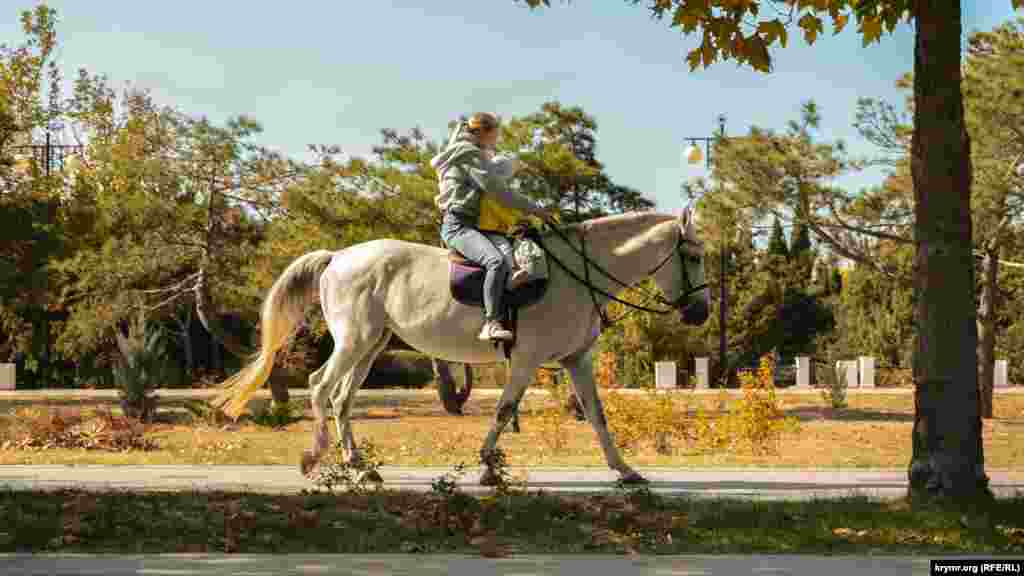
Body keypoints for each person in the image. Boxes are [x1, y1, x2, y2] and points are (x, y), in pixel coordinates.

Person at [431, 112, 552, 342]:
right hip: (459, 226)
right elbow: (497, 190)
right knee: (494, 261)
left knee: (510, 258)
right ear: (483, 132)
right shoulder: (468, 154)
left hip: (474, 225)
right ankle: (491, 323)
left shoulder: (471, 152)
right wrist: (535, 209)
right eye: (495, 136)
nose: (496, 141)